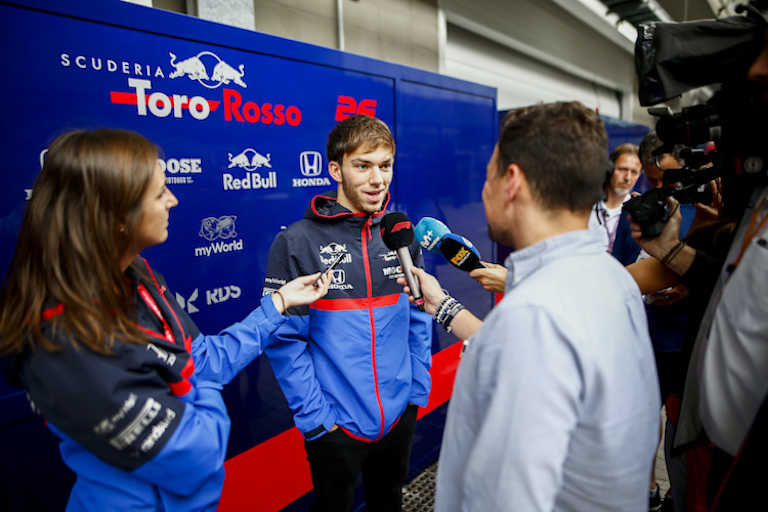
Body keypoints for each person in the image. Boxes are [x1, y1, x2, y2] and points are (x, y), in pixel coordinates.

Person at [0, 129, 330, 511]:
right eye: (159, 193)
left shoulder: (138, 278)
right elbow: (199, 453)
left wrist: (279, 301)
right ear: (114, 215)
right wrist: (193, 383)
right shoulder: (67, 340)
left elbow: (204, 358)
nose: (173, 200)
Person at [400, 102, 660, 511]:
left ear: (512, 182)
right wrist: (443, 305)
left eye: (488, 177)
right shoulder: (609, 279)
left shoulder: (535, 319)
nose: (483, 191)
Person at [262, 115, 432, 511]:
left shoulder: (400, 234)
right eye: (363, 165)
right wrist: (318, 421)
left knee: (388, 503)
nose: (378, 179)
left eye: (385, 165)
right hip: (334, 426)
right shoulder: (296, 242)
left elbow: (419, 317)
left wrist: (415, 392)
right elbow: (284, 342)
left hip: (398, 414)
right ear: (335, 169)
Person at [588, 142, 644, 264]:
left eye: (634, 172)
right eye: (623, 169)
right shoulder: (585, 204)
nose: (628, 178)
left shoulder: (637, 214)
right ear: (609, 169)